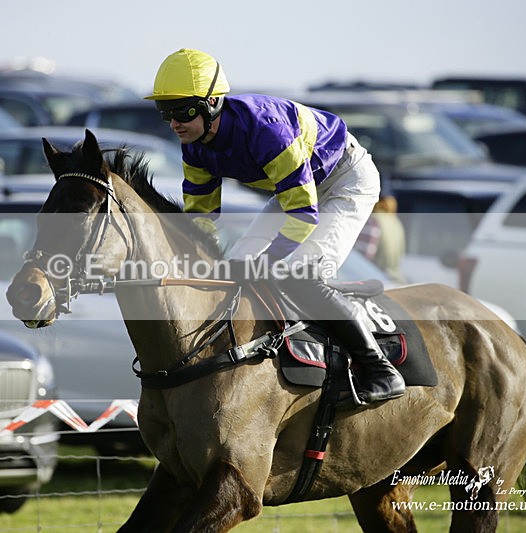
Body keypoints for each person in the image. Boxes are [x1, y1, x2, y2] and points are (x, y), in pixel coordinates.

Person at [145, 48, 404, 404]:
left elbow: (303, 213)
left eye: (183, 111)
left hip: (346, 179)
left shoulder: (265, 130)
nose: (174, 123)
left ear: (213, 103)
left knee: (299, 272)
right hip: (297, 187)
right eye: (165, 113)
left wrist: (270, 261)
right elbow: (202, 219)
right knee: (232, 269)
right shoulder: (194, 147)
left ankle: (380, 370)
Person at [355, 177, 407, 283]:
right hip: (391, 281)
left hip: (374, 283)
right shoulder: (395, 221)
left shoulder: (372, 221)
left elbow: (361, 262)